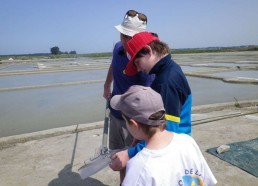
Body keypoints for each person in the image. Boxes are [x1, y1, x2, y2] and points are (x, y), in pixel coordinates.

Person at [110, 32, 192, 172]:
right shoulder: (171, 69)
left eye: (137, 62)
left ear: (148, 51)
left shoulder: (165, 83)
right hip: (175, 145)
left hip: (171, 151)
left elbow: (165, 133)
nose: (138, 68)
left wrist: (130, 153)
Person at [110, 85, 217, 186]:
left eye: (125, 121)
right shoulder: (188, 142)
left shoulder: (139, 167)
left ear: (134, 124)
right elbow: (206, 181)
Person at [103, 10, 155, 182]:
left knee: (134, 160)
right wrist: (106, 84)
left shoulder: (145, 64)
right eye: (123, 35)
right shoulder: (118, 48)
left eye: (129, 37)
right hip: (116, 113)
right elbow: (113, 65)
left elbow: (150, 99)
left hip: (134, 122)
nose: (124, 41)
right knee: (119, 156)